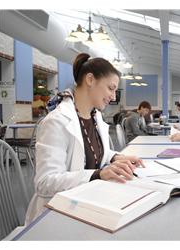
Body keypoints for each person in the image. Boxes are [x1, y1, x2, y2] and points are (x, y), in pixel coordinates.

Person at [25, 53, 144, 224]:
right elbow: (45, 182)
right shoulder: (57, 122)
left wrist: (117, 157)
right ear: (90, 80)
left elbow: (93, 152)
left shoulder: (95, 117)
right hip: (57, 214)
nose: (113, 96)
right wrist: (98, 174)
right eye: (111, 88)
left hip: (88, 202)